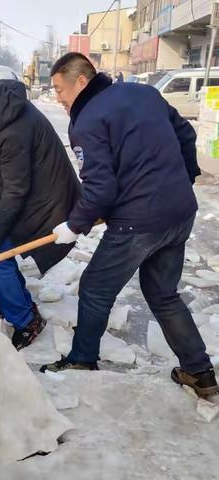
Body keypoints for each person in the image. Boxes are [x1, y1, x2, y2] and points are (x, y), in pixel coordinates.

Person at [40, 52, 218, 399]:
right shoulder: (143, 93)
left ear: (81, 81)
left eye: (60, 90)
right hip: (180, 213)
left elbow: (100, 188)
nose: (58, 98)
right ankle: (199, 372)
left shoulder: (86, 121)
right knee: (163, 294)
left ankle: (82, 360)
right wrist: (185, 177)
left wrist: (74, 225)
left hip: (139, 223)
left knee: (94, 287)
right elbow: (184, 133)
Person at [0, 76, 81, 349]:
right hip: (42, 197)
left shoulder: (11, 131)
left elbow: (15, 191)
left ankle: (26, 320)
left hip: (46, 204)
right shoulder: (9, 109)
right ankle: (19, 306)